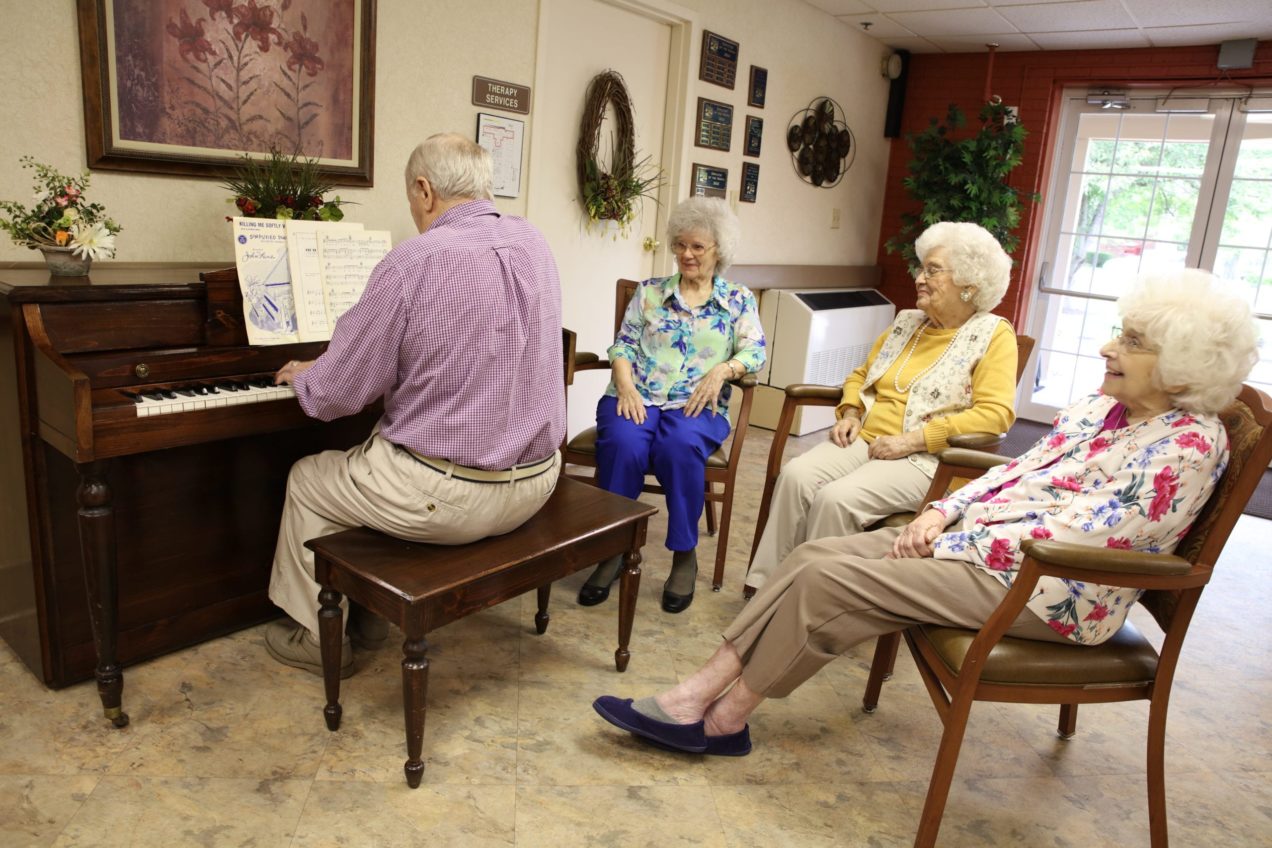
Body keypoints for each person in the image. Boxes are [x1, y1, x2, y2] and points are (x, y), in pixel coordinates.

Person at [593, 269, 1257, 756]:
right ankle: (712, 701)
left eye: (1131, 340)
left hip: (1051, 590)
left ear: (1178, 367)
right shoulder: (1101, 411)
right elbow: (1018, 474)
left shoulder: (1189, 445)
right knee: (814, 556)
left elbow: (1090, 536)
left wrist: (951, 537)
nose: (1108, 347)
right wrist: (942, 514)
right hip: (994, 556)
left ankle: (717, 710)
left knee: (832, 581)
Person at [265, 133, 565, 677]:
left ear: (425, 190)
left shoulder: (414, 261)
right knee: (387, 452)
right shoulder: (534, 244)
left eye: (410, 199)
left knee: (312, 476)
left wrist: (306, 375)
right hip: (537, 483)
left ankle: (316, 635)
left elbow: (338, 394)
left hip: (452, 499)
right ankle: (370, 613)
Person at [746, 221, 1018, 595]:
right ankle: (767, 589)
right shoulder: (908, 322)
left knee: (836, 499)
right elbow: (861, 374)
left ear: (969, 285)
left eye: (933, 270)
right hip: (866, 440)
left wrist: (913, 440)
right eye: (921, 268)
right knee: (796, 475)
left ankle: (813, 601)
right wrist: (851, 411)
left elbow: (995, 414)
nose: (920, 278)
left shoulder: (994, 335)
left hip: (924, 459)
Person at [576, 197, 766, 614]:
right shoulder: (650, 293)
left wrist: (722, 372)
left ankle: (684, 553)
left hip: (696, 403)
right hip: (637, 394)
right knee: (625, 443)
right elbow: (623, 344)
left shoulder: (736, 300)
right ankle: (614, 548)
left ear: (719, 250)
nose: (686, 254)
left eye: (697, 246)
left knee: (677, 447)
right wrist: (623, 384)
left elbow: (756, 351)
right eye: (680, 245)